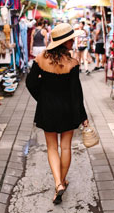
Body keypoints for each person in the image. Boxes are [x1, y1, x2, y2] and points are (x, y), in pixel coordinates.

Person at [26, 23, 88, 205]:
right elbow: (77, 93)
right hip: (68, 110)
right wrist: (83, 116)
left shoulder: (40, 59)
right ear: (65, 42)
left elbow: (30, 83)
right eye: (71, 39)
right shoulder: (73, 63)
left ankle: (58, 183)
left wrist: (42, 98)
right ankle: (62, 181)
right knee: (66, 147)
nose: (73, 41)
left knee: (52, 147)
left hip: (48, 109)